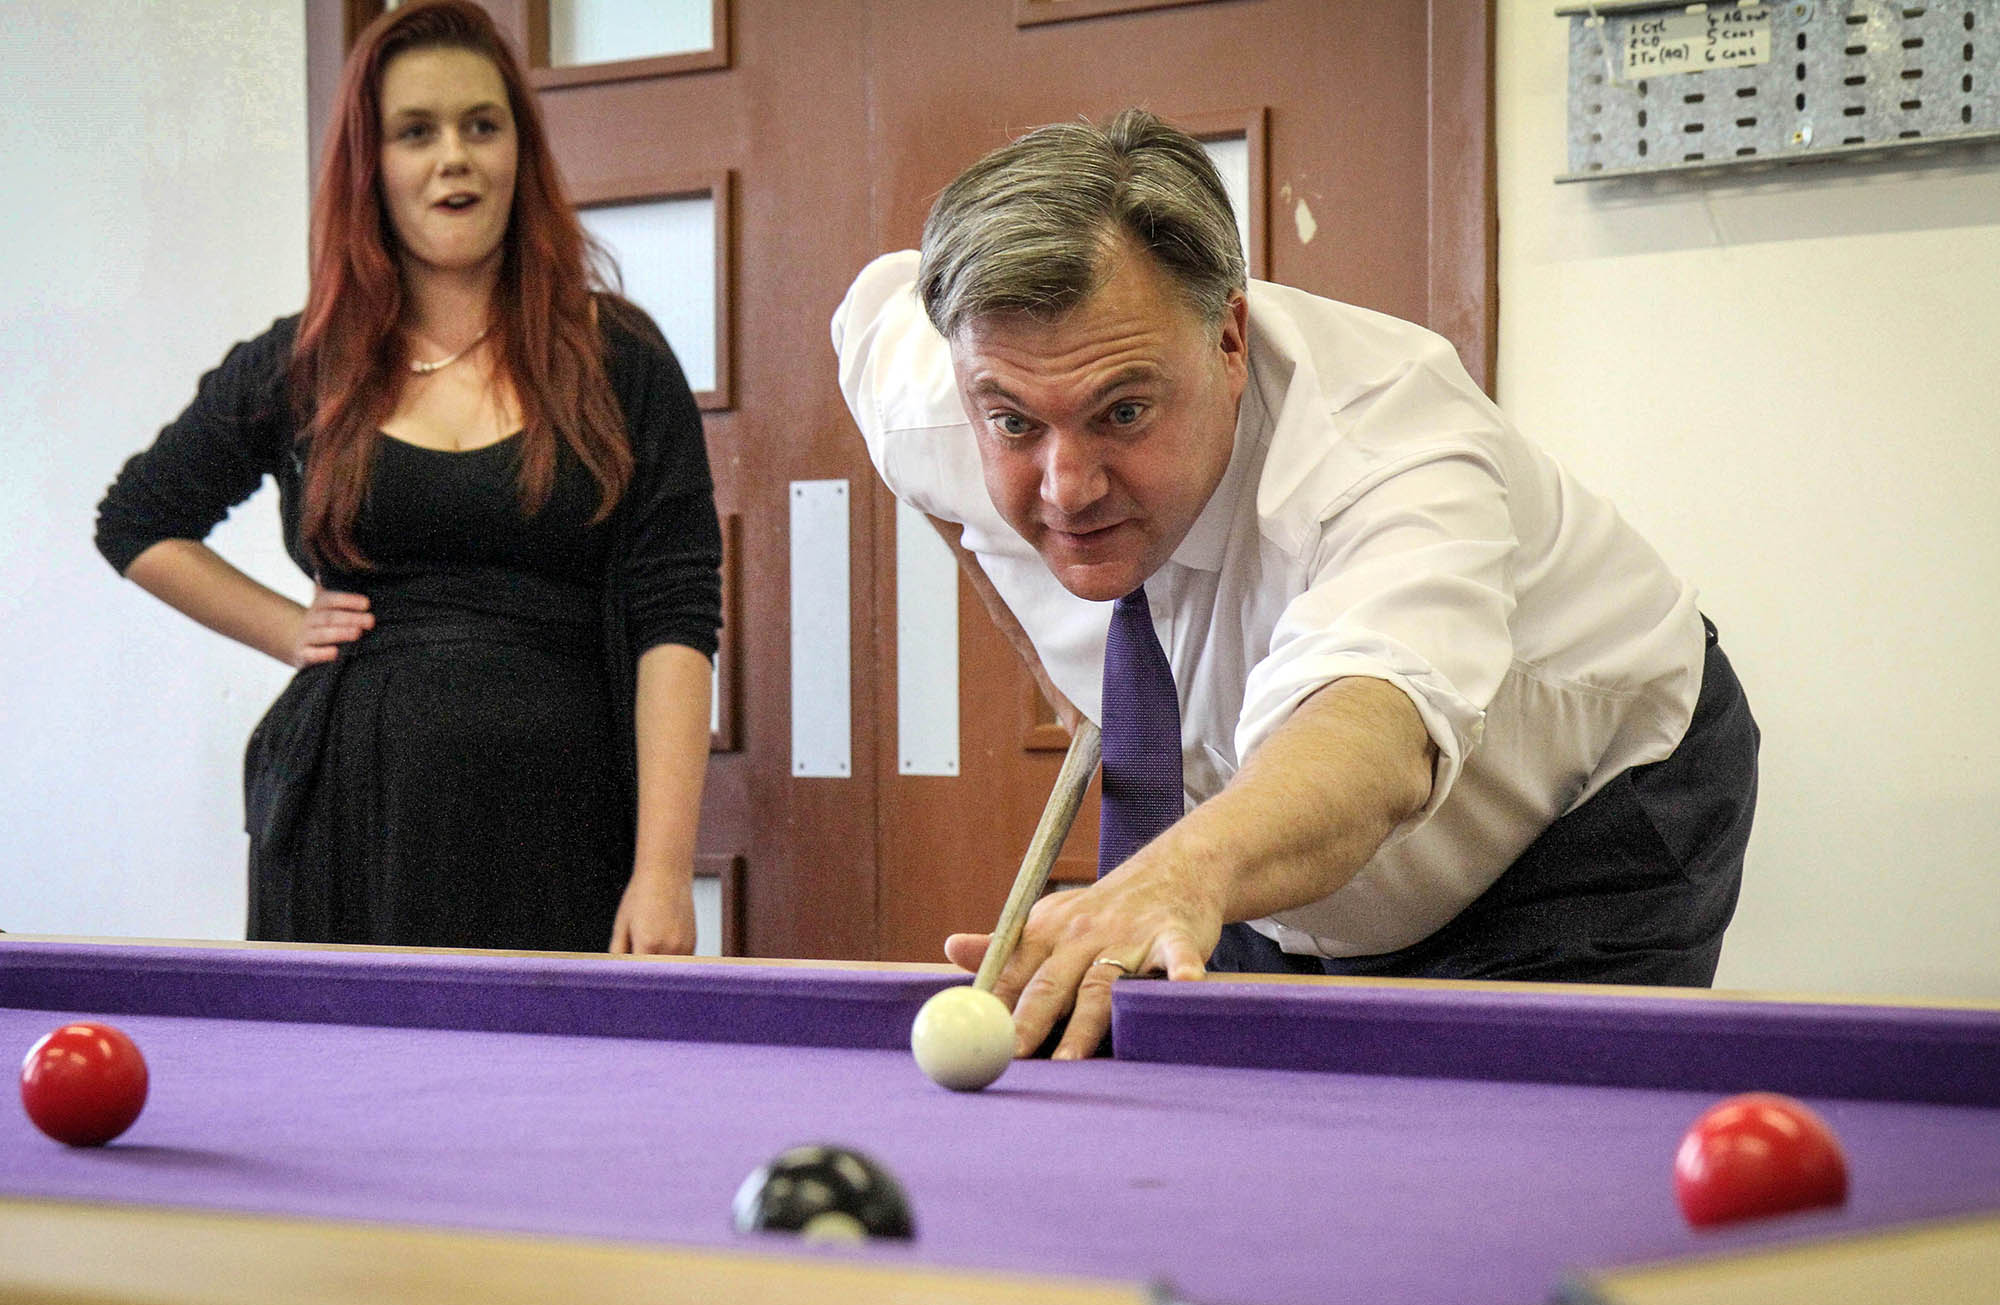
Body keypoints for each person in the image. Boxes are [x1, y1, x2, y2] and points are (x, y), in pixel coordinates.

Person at [833, 109, 1758, 1058]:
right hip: (1261, 820)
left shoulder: (1385, 447)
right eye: (1016, 425)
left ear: (1230, 340)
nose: (1068, 487)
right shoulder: (941, 389)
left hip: (1579, 813)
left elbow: (1375, 733)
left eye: (1124, 410)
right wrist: (1058, 670)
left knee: (1484, 1179)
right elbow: (888, 360)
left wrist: (1185, 869)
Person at [95, 1, 720, 954]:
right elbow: (136, 519)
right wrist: (286, 627)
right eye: (415, 132)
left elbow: (676, 618)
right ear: (371, 166)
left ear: (521, 150)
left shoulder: (618, 356)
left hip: (565, 819)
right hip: (345, 816)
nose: (454, 157)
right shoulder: (304, 364)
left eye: (482, 125)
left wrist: (664, 871)